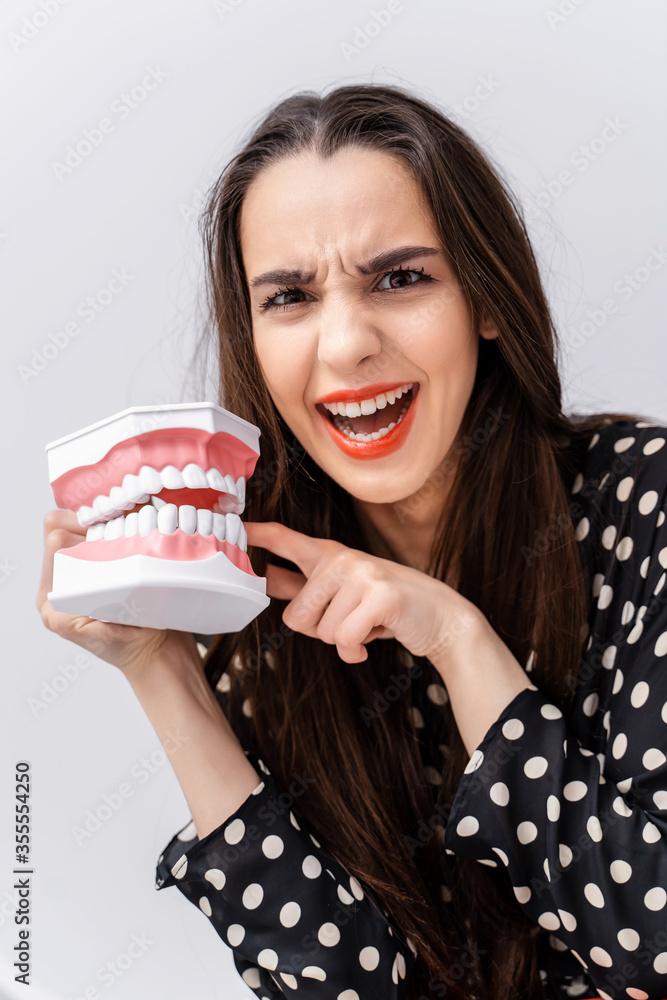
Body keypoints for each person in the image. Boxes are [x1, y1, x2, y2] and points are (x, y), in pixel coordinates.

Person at [37, 83, 667, 1000]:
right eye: (288, 297)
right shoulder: (265, 601)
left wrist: (457, 640)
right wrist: (158, 670)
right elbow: (344, 985)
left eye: (400, 278)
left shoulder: (644, 503)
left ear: (487, 301)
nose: (344, 346)